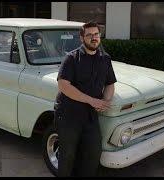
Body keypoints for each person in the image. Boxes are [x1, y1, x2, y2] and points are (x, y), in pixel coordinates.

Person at [55, 22, 117, 177]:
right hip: (69, 115)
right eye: (89, 35)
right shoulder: (71, 58)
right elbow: (63, 85)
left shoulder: (105, 59)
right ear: (82, 38)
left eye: (96, 34)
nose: (94, 38)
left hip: (90, 116)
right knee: (67, 156)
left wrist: (106, 101)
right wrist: (92, 100)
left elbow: (110, 83)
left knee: (92, 154)